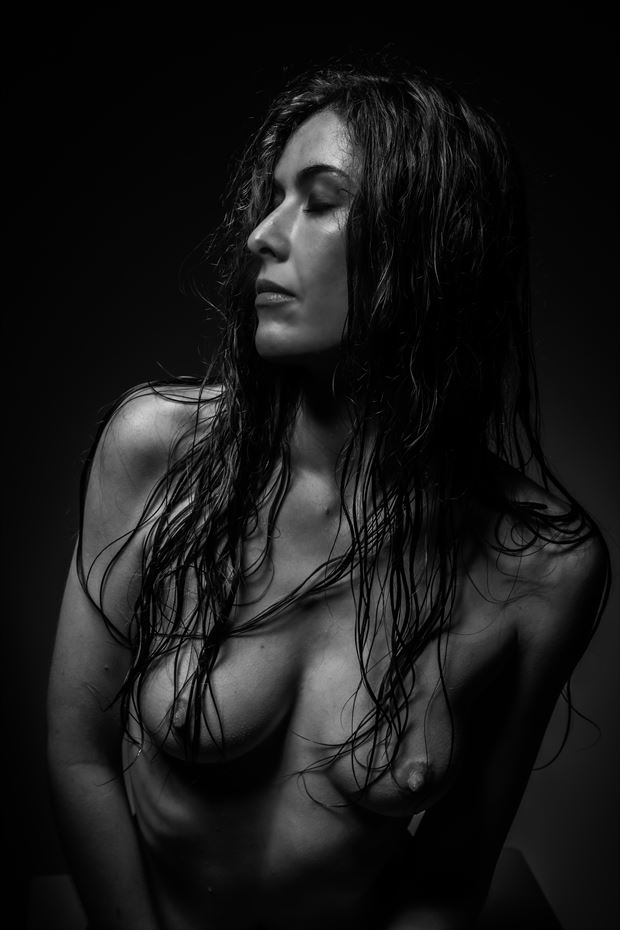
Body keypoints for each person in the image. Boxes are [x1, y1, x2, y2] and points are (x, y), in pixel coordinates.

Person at [47, 59, 611, 930]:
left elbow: (452, 871)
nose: (260, 237)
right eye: (274, 198)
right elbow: (80, 754)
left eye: (320, 200)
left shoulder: (544, 567)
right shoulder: (158, 451)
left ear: (431, 247)